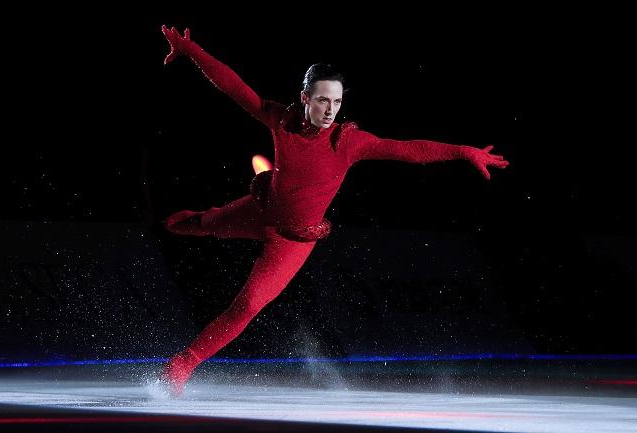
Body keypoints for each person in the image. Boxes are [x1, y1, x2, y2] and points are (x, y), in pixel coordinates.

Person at [157, 25, 509, 397]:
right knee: (202, 224)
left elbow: (410, 150)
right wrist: (191, 51)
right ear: (305, 99)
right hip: (260, 210)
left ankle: (181, 365)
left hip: (293, 239)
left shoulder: (348, 143)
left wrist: (463, 151)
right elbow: (234, 87)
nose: (331, 110)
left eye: (337, 102)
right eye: (323, 101)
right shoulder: (282, 122)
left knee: (247, 305)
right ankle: (160, 225)